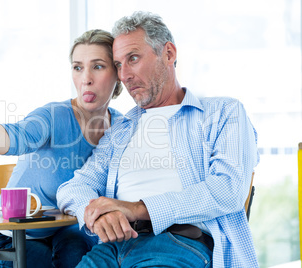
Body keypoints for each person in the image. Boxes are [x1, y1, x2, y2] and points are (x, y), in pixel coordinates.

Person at [57, 11, 259, 268]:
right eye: (118, 64)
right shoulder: (121, 130)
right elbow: (73, 188)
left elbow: (228, 189)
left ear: (169, 54)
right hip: (112, 248)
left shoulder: (223, 113)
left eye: (133, 59)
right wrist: (96, 215)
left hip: (180, 243)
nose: (124, 75)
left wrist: (138, 208)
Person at [0, 29, 123, 268]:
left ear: (118, 72)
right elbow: (18, 135)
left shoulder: (121, 127)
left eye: (97, 66)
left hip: (69, 234)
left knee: (79, 254)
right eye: (77, 67)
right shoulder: (53, 116)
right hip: (13, 236)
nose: (86, 78)